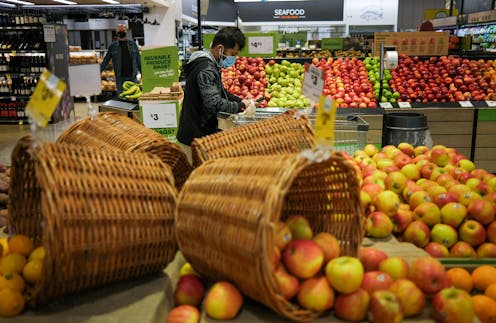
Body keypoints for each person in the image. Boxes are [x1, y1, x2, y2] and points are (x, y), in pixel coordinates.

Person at [177, 27, 251, 162]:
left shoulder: (209, 64)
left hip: (198, 133)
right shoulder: (206, 69)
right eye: (232, 54)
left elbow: (221, 92)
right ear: (220, 48)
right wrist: (239, 106)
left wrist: (242, 101)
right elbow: (214, 103)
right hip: (194, 138)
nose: (233, 58)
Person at [101, 24, 142, 95]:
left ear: (126, 31)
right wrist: (99, 71)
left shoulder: (132, 44)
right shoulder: (113, 46)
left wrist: (143, 73)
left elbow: (138, 59)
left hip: (132, 77)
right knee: (121, 97)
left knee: (133, 97)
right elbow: (106, 60)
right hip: (120, 78)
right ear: (116, 32)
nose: (121, 32)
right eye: (120, 31)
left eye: (123, 30)